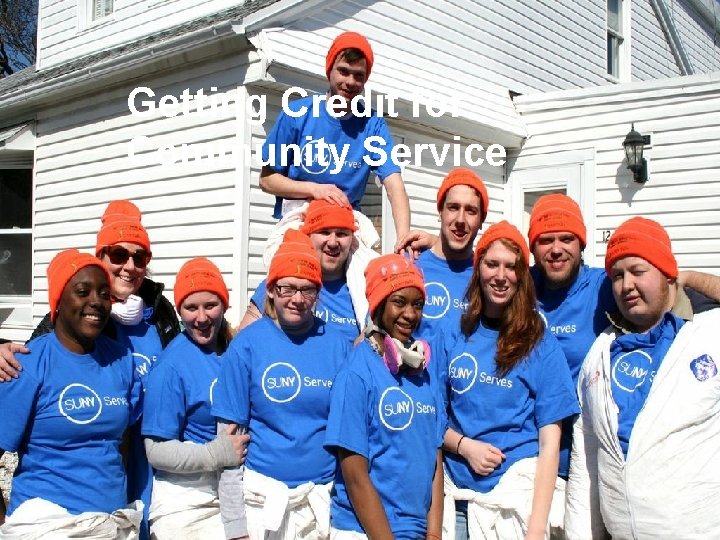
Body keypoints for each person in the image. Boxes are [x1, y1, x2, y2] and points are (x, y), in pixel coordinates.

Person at [0, 200, 181, 539]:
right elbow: (32, 363)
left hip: (131, 488)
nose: (129, 266)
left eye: (140, 257)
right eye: (119, 254)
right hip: (51, 518)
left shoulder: (157, 315)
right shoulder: (40, 352)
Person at [527, 193, 720, 478]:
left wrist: (684, 277)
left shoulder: (605, 287)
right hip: (524, 457)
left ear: (581, 243)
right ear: (532, 246)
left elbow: (658, 292)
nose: (556, 249)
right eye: (545, 240)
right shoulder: (518, 286)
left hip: (584, 463)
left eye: (566, 238)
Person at [565, 217, 720, 539]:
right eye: (617, 275)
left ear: (666, 273)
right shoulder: (601, 351)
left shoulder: (709, 333)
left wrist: (689, 277)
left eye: (638, 271)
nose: (626, 285)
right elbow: (586, 459)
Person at [435, 221, 579, 540]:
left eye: (511, 267)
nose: (501, 276)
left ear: (522, 276)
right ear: (478, 269)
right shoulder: (452, 332)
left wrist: (535, 529)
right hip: (455, 499)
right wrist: (464, 446)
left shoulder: (540, 343)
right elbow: (431, 415)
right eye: (492, 264)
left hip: (515, 502)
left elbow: (550, 443)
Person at [212, 229, 350, 539]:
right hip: (261, 504)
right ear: (271, 290)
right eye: (287, 288)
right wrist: (235, 527)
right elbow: (228, 441)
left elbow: (348, 434)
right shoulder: (246, 345)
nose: (297, 299)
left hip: (321, 501)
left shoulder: (338, 347)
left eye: (307, 289)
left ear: (318, 293)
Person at [0, 249, 143, 537]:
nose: (96, 301)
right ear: (59, 300)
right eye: (82, 291)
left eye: (104, 294)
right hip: (48, 524)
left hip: (112, 523)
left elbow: (125, 441)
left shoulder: (121, 360)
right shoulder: (26, 365)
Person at [324, 253, 444, 539]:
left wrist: (434, 534)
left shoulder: (423, 371)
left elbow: (435, 453)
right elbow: (354, 475)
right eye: (399, 302)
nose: (410, 314)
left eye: (418, 304)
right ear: (378, 306)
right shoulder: (356, 373)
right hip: (367, 531)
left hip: (417, 532)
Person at [259, 31, 410, 241]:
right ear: (329, 70)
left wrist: (403, 237)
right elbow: (267, 180)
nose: (350, 81)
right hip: (300, 218)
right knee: (289, 262)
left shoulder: (372, 124)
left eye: (359, 75)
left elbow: (394, 184)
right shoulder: (297, 114)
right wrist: (314, 190)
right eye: (343, 71)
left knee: (368, 262)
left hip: (346, 221)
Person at [141, 258, 248, 538]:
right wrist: (214, 454)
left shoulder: (237, 350)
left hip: (235, 492)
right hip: (186, 500)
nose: (201, 318)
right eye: (191, 308)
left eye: (210, 305)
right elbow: (156, 451)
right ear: (179, 311)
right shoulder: (171, 366)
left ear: (225, 305)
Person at [238, 200, 361, 342]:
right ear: (308, 235)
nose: (333, 242)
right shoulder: (282, 284)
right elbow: (243, 341)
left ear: (352, 239)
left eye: (341, 234)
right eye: (324, 232)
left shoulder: (361, 292)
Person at [413, 168, 488, 341]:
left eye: (471, 211)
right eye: (453, 208)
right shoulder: (411, 265)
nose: (460, 220)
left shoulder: (488, 278)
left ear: (481, 220)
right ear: (440, 211)